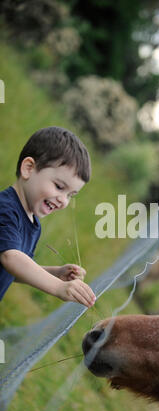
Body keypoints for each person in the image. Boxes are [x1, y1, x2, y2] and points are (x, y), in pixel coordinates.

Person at [0, 126, 96, 308]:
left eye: (70, 195)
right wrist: (59, 287)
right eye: (60, 187)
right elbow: (10, 259)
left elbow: (14, 271)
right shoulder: (6, 210)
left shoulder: (33, 225)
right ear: (28, 168)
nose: (63, 201)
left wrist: (55, 273)